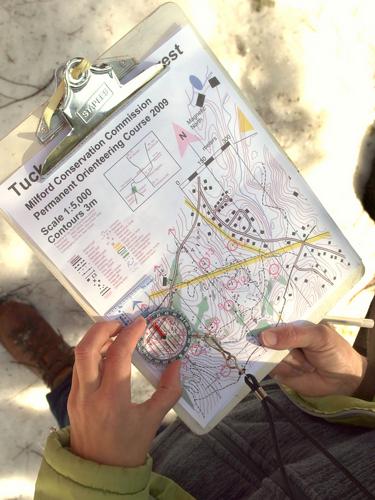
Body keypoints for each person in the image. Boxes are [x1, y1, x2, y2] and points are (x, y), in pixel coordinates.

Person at [1, 299, 375, 499]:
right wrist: (359, 388)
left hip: (140, 484)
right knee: (112, 420)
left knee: (91, 425)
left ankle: (62, 375)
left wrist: (95, 480)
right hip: (244, 417)